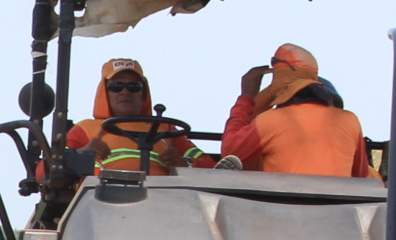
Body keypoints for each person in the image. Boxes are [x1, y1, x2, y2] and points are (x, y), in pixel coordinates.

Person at [219, 44, 375, 178]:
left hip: (284, 207)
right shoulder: (349, 120)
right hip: (338, 209)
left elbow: (230, 152)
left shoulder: (271, 120)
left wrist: (246, 97)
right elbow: (359, 174)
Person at [66, 58, 205, 175]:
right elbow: (46, 170)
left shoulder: (166, 128)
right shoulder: (85, 128)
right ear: (104, 92)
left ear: (143, 93)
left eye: (134, 86)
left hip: (165, 200)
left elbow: (212, 167)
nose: (125, 92)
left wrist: (184, 163)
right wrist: (83, 153)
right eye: (116, 86)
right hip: (102, 200)